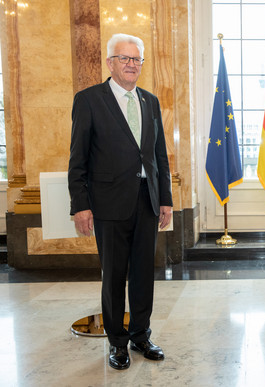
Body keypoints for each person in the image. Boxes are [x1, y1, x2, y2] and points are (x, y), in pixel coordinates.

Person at [68, 33, 173, 370]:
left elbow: (160, 156)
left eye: (137, 59)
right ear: (110, 63)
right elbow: (77, 159)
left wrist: (166, 199)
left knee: (144, 273)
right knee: (113, 275)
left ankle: (141, 335)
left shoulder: (150, 101)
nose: (131, 65)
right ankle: (117, 342)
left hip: (147, 201)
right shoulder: (88, 100)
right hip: (108, 204)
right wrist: (80, 204)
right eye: (125, 58)